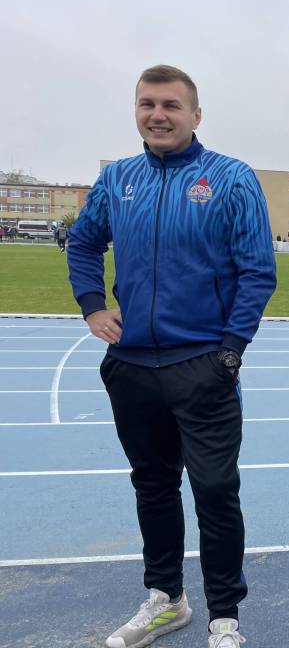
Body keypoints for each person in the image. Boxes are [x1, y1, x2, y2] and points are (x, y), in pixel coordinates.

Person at [67, 65, 276, 648]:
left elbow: (258, 271)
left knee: (215, 491)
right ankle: (167, 599)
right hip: (132, 366)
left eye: (171, 105)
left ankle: (224, 618)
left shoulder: (231, 178)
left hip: (203, 364)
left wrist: (230, 352)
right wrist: (92, 307)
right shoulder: (117, 178)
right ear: (137, 110)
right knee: (153, 486)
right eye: (147, 104)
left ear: (195, 115)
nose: (158, 115)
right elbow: (83, 243)